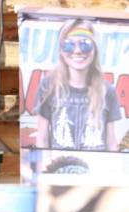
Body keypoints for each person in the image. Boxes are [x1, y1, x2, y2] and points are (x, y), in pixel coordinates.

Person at [33, 19, 122, 151]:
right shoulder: (48, 86)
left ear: (94, 51)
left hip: (96, 168)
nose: (78, 51)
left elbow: (111, 141)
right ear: (61, 52)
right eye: (69, 45)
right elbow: (42, 138)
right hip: (59, 168)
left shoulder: (107, 90)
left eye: (85, 44)